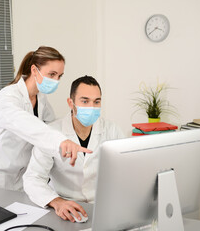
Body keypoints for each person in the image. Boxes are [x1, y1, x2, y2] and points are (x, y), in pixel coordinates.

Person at [0, 46, 92, 191]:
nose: (56, 80)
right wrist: (60, 141)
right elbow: (27, 125)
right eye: (52, 74)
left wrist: (79, 124)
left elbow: (52, 126)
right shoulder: (8, 96)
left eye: (59, 76)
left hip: (22, 172)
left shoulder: (41, 99)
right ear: (34, 70)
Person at [23, 76, 125, 222]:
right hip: (66, 207)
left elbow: (125, 170)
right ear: (71, 103)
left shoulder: (112, 130)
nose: (92, 107)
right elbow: (33, 178)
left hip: (102, 206)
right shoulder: (51, 132)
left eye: (97, 102)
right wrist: (56, 202)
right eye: (85, 101)